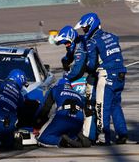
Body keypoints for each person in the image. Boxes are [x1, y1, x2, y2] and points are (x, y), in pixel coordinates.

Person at [75, 12, 128, 145]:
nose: (84, 30)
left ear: (92, 25)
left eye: (85, 28)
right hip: (121, 74)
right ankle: (122, 134)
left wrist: (84, 68)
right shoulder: (112, 36)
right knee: (115, 105)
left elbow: (92, 65)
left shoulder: (93, 41)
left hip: (106, 75)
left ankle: (104, 137)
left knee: (101, 106)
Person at [53, 25, 97, 143]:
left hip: (93, 77)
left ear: (71, 39)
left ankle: (90, 137)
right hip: (90, 76)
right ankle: (85, 134)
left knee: (88, 107)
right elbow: (69, 56)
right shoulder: (76, 43)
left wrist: (66, 78)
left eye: (66, 43)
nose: (66, 45)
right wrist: (65, 60)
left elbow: (77, 70)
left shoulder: (80, 47)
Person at [36, 78, 85, 148]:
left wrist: (38, 122)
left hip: (63, 116)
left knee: (41, 138)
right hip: (79, 118)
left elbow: (46, 107)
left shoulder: (56, 88)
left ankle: (62, 141)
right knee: (69, 133)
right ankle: (77, 137)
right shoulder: (78, 94)